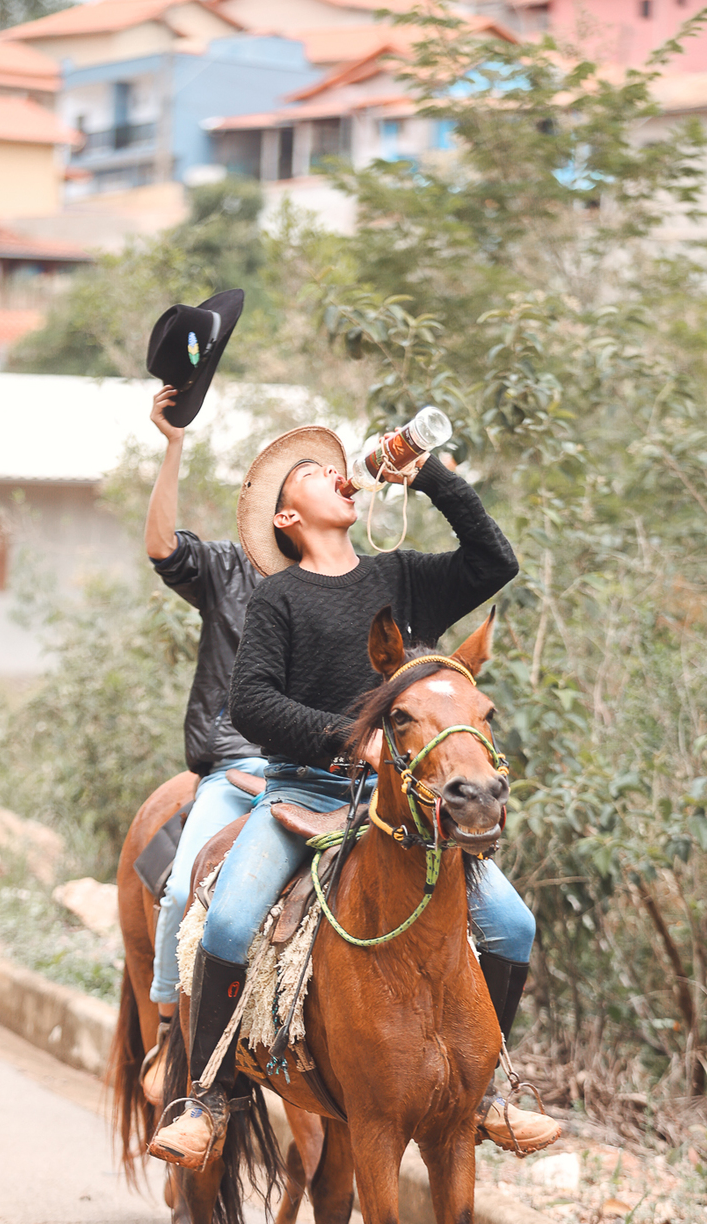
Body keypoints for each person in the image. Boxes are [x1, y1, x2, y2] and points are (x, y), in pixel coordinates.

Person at [149, 424, 561, 1170]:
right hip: (300, 793)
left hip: (399, 806)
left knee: (513, 925)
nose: (337, 475)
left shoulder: (401, 577)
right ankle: (207, 1101)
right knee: (228, 922)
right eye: (313, 472)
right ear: (287, 516)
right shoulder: (277, 598)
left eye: (338, 468)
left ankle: (483, 1093)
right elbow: (251, 704)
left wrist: (427, 474)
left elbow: (494, 560)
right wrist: (352, 738)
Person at [140, 382, 267, 1103]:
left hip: (323, 774)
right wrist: (175, 446)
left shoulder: (342, 584)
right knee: (180, 892)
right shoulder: (227, 569)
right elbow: (162, 547)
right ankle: (168, 1028)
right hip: (234, 763)